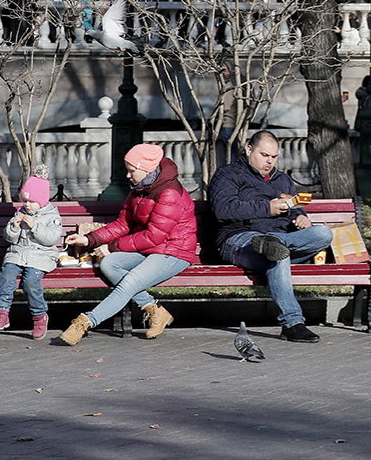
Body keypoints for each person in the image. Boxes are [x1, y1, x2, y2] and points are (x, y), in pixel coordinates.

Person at [59, 144, 196, 345]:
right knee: (109, 264)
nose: (128, 175)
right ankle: (155, 310)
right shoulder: (140, 189)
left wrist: (111, 247)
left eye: (132, 170)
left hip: (174, 251)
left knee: (129, 282)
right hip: (152, 248)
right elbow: (125, 223)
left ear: (147, 169)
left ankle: (85, 322)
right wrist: (89, 239)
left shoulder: (169, 193)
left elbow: (153, 237)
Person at [208, 130, 334, 344]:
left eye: (274, 157)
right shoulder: (228, 174)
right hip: (239, 239)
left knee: (323, 233)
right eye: (264, 155)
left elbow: (292, 206)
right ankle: (293, 323)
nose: (269, 161)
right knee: (277, 254)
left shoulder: (282, 180)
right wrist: (267, 208)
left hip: (279, 237)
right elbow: (223, 209)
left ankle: (274, 245)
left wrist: (300, 217)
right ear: (249, 149)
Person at [0, 165, 62, 340]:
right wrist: (14, 227)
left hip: (41, 256)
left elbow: (51, 239)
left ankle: (39, 316)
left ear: (43, 200)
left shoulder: (51, 215)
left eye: (31, 201)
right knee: (6, 275)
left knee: (30, 281)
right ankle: (2, 313)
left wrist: (35, 226)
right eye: (25, 201)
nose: (27, 205)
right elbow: (9, 238)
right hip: (17, 253)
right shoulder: (20, 213)